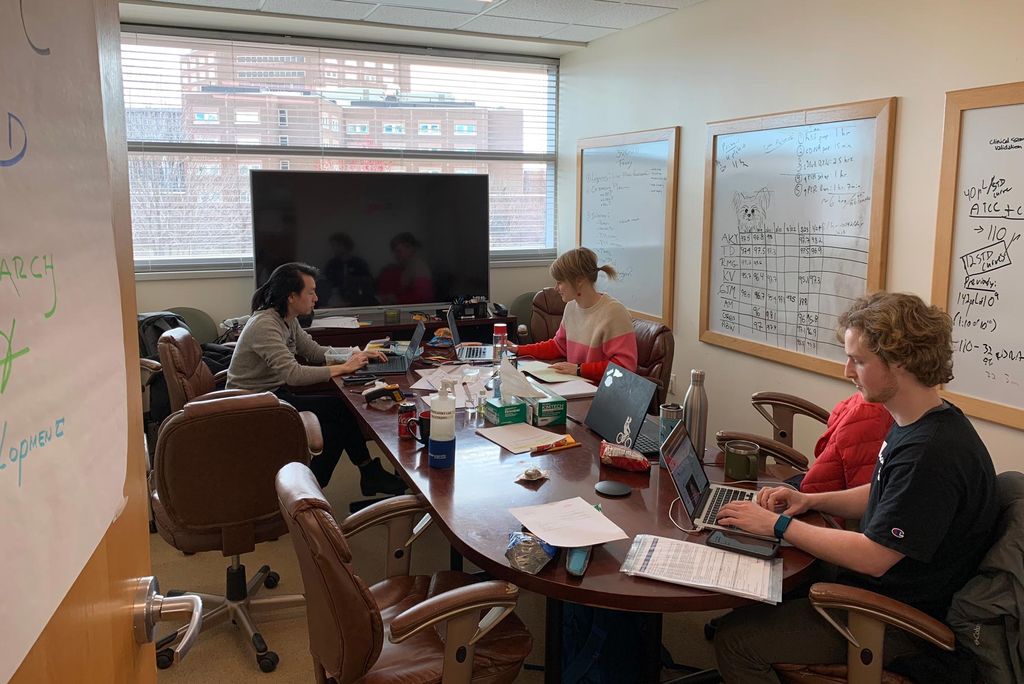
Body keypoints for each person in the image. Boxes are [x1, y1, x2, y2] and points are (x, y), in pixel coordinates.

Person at [713, 291, 998, 681]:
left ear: (900, 362)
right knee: (756, 577)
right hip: (880, 589)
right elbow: (884, 493)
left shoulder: (931, 454)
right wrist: (808, 498)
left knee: (736, 640)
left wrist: (778, 526)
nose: (847, 371)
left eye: (859, 361)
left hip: (894, 617)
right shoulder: (921, 420)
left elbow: (875, 556)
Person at [227, 262, 407, 495]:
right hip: (255, 403)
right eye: (310, 292)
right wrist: (343, 368)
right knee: (339, 413)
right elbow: (293, 374)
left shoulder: (286, 318)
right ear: (292, 296)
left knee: (336, 422)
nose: (316, 298)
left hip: (273, 394)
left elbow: (313, 351)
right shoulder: (265, 324)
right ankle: (346, 480)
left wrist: (356, 353)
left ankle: (326, 484)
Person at [509, 247, 637, 382]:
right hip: (576, 385)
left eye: (560, 282)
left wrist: (579, 369)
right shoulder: (571, 307)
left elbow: (625, 367)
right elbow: (558, 346)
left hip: (601, 393)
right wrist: (517, 349)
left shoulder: (614, 313)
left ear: (579, 280)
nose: (556, 288)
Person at [795, 391, 893, 493]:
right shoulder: (869, 401)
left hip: (819, 498)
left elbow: (860, 495)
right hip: (817, 488)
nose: (848, 374)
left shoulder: (869, 410)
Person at [375, 232, 434, 305]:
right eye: (394, 252)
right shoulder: (406, 266)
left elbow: (423, 297)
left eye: (398, 251)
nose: (395, 255)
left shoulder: (418, 266)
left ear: (410, 248)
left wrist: (396, 299)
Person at [321, 232, 375, 307]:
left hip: (357, 298)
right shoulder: (331, 264)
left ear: (345, 246)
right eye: (333, 246)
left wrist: (352, 281)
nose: (334, 249)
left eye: (336, 245)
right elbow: (326, 283)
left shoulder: (359, 263)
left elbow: (368, 282)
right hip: (336, 298)